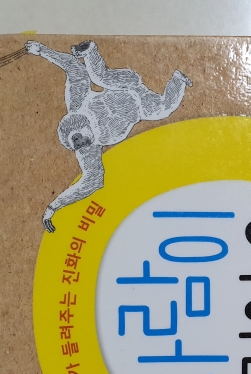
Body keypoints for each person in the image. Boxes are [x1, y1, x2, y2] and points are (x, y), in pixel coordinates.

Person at [25, 40, 192, 232]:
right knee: (164, 108)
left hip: (121, 84)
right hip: (141, 106)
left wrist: (42, 50)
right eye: (77, 145)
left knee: (98, 76)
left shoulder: (77, 104)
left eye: (77, 139)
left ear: (79, 126)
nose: (81, 143)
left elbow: (73, 68)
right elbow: (92, 181)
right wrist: (54, 206)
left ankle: (89, 51)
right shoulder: (88, 150)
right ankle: (179, 79)